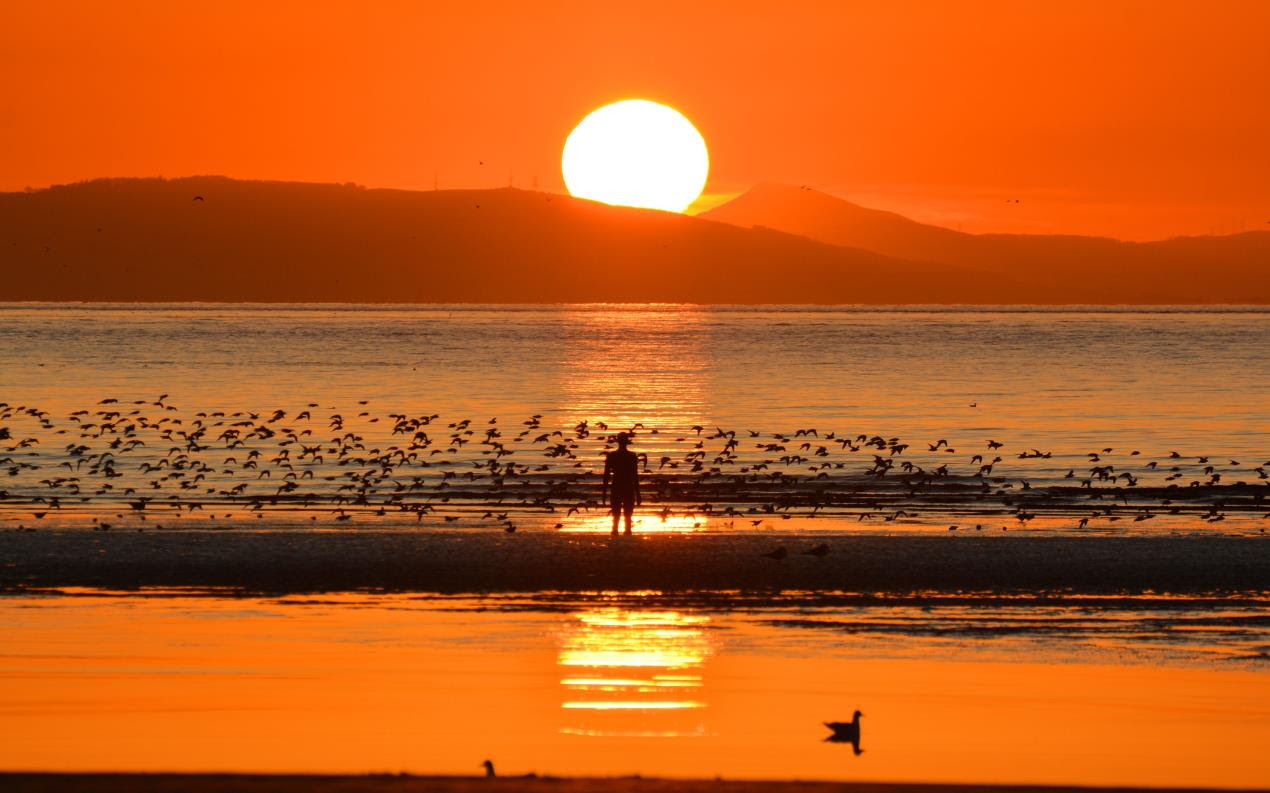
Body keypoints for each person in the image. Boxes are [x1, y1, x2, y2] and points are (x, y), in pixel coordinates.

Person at [602, 432, 640, 535]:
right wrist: (638, 493)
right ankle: (626, 531)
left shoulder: (612, 456)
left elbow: (606, 476)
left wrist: (604, 493)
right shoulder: (631, 456)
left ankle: (616, 531)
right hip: (627, 485)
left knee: (616, 512)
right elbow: (635, 476)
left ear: (618, 441)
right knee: (627, 512)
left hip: (617, 485)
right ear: (626, 442)